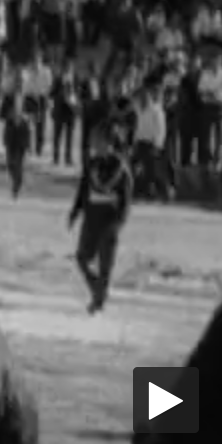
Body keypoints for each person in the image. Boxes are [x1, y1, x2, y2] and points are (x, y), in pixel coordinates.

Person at [68, 132, 133, 314]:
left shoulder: (120, 168)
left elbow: (126, 199)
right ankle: (97, 288)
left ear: (110, 144)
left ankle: (98, 301)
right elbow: (83, 190)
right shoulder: (92, 165)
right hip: (91, 218)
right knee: (82, 258)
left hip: (109, 219)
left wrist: (119, 223)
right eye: (95, 144)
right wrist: (75, 212)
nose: (97, 147)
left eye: (100, 143)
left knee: (105, 264)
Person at [2, 91, 32, 198]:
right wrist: (10, 115)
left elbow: (35, 113)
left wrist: (26, 117)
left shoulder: (29, 98)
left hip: (22, 134)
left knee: (18, 162)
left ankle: (17, 184)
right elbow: (1, 113)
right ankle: (16, 180)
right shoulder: (8, 98)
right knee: (10, 163)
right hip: (10, 134)